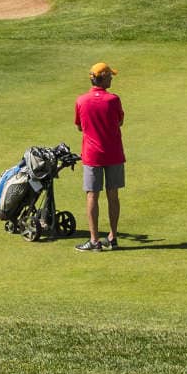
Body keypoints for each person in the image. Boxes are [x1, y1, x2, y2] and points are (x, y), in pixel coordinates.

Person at [73, 60, 126, 251]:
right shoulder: (113, 100)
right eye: (109, 76)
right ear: (102, 79)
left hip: (92, 154)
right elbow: (120, 122)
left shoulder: (81, 100)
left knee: (92, 196)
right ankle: (112, 237)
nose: (111, 78)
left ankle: (94, 240)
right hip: (113, 153)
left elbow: (79, 126)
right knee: (113, 195)